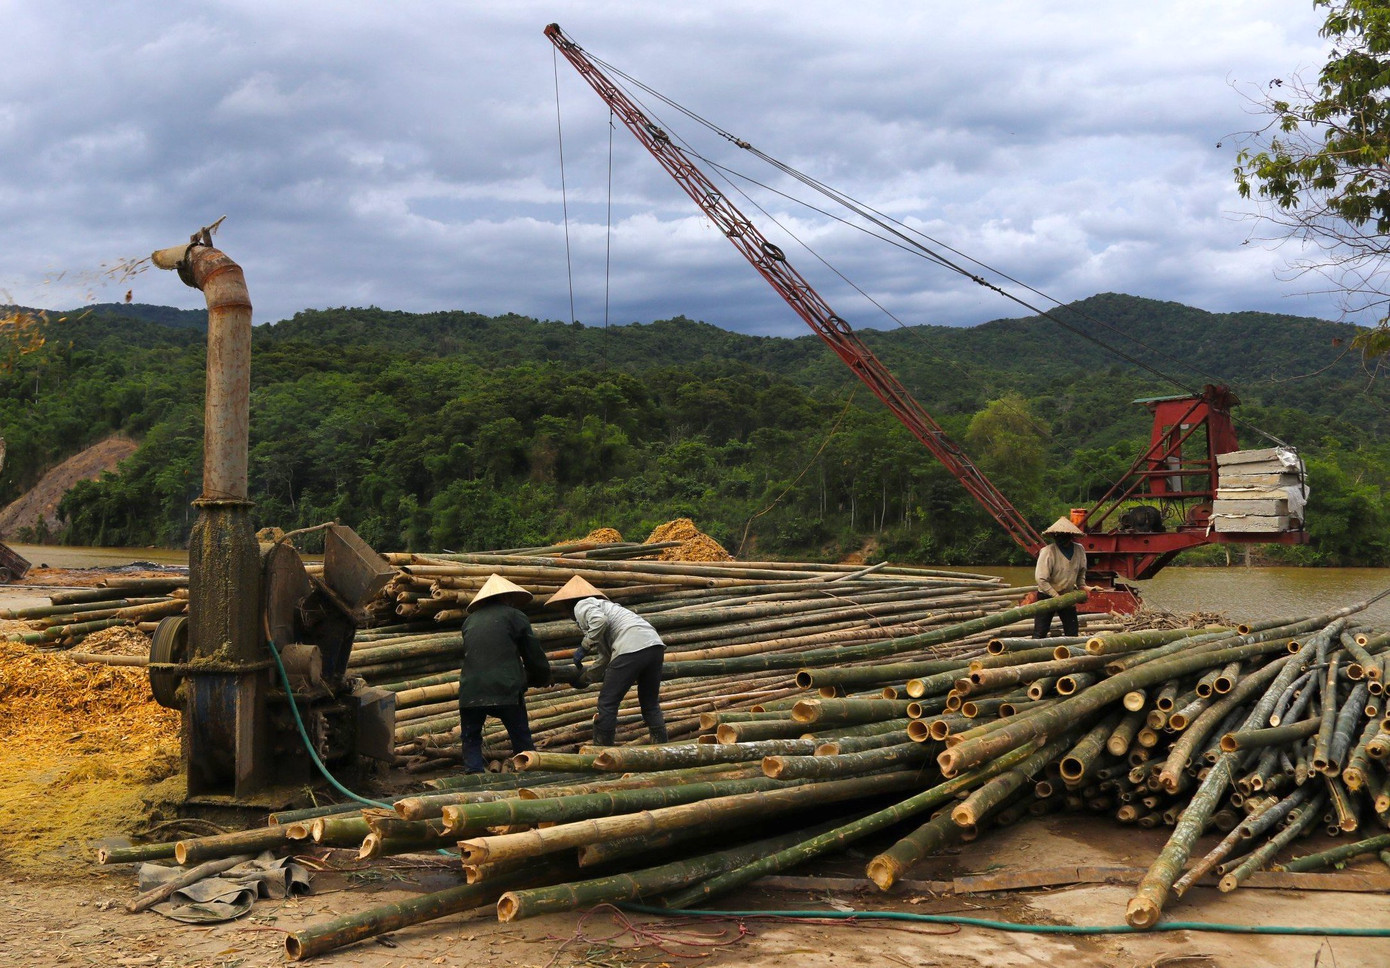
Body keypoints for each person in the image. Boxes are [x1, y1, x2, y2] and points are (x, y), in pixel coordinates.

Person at [546, 575, 667, 747]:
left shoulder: (582, 604)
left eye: (564, 610)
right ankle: (662, 747)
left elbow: (599, 621)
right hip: (654, 646)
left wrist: (584, 646)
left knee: (607, 703)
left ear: (568, 604)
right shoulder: (607, 608)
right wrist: (586, 678)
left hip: (631, 648)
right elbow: (605, 657)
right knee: (650, 703)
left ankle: (603, 750)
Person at [457, 574, 551, 773]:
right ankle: (528, 768)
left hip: (471, 689)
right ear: (506, 597)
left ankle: (473, 773)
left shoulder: (469, 621)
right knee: (520, 734)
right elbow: (532, 653)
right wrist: (543, 676)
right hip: (505, 686)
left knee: (471, 736)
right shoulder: (515, 616)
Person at [1032, 516, 1087, 639]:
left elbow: (1081, 572)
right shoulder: (1048, 551)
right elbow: (1041, 579)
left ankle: (1071, 649)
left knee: (1072, 631)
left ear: (1070, 536)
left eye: (1063, 535)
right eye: (1057, 535)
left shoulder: (1079, 549)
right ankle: (1035, 649)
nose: (1060, 538)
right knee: (1040, 631)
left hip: (1067, 595)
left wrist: (1082, 587)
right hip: (1047, 595)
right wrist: (1056, 596)